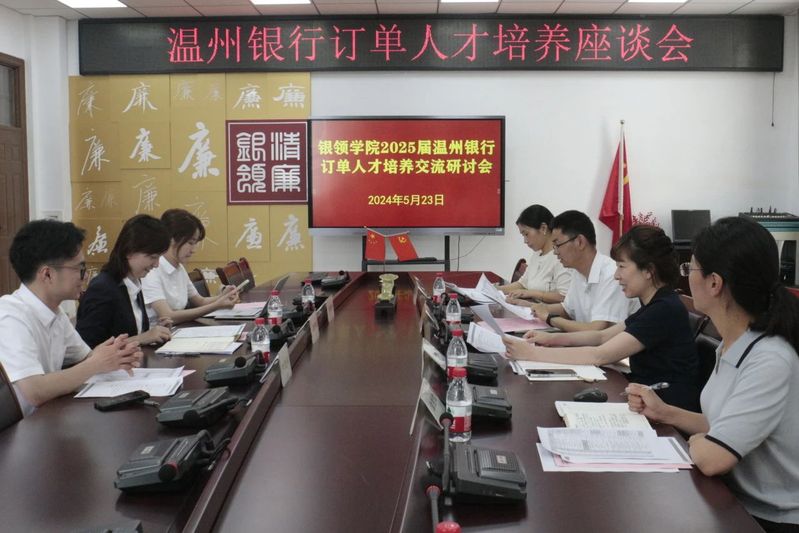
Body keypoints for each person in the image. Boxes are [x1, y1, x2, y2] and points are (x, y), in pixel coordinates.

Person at [626, 217, 799, 532]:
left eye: (690, 268)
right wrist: (665, 412)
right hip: (732, 499)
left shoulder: (769, 359)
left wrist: (702, 442)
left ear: (714, 283)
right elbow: (725, 425)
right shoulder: (732, 343)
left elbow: (713, 458)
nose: (686, 276)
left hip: (769, 519)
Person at [504, 225, 700, 411]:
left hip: (663, 411)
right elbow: (602, 336)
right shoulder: (655, 303)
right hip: (643, 399)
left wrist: (531, 353)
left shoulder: (664, 309)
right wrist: (552, 338)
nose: (616, 276)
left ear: (648, 271)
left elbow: (600, 354)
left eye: (622, 266)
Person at [0, 219, 142, 416]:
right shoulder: (10, 316)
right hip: (21, 430)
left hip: (49, 418)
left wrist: (116, 355)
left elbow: (86, 357)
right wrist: (96, 363)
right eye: (79, 269)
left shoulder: (56, 314)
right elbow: (34, 391)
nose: (85, 277)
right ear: (48, 274)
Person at [529, 210, 639, 332]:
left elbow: (596, 330)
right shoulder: (578, 271)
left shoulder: (612, 275)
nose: (555, 252)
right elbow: (567, 310)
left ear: (580, 242)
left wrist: (550, 318)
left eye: (557, 245)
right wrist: (537, 308)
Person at [76, 214, 172, 348]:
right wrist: (142, 338)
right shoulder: (103, 288)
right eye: (152, 257)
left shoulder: (134, 282)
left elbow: (131, 331)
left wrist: (156, 330)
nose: (156, 265)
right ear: (129, 251)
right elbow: (88, 348)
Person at [142, 208, 239, 325]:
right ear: (171, 239)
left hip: (178, 330)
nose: (193, 250)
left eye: (195, 243)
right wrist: (216, 305)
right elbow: (167, 315)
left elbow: (200, 301)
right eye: (190, 243)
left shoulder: (179, 268)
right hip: (159, 334)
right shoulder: (152, 270)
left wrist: (223, 297)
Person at [496, 204, 571, 305]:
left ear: (543, 228)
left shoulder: (561, 257)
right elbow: (522, 284)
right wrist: (497, 290)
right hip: (532, 309)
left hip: (548, 313)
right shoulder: (537, 254)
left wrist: (531, 293)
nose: (525, 241)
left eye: (526, 234)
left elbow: (564, 297)